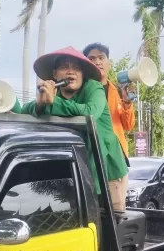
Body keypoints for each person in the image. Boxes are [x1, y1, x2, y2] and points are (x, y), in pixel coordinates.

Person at [20, 47, 128, 210]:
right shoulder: (54, 94)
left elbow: (90, 112)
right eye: (64, 67)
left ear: (83, 74)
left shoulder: (94, 88)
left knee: (113, 222)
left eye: (76, 68)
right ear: (55, 74)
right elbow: (24, 111)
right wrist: (41, 103)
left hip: (105, 169)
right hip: (76, 172)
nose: (71, 72)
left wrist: (53, 102)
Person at [83, 42, 135, 172]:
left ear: (109, 64)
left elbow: (128, 126)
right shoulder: (80, 89)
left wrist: (127, 103)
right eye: (91, 59)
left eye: (101, 58)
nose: (97, 62)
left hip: (116, 157)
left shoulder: (118, 91)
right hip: (89, 156)